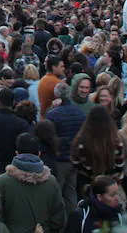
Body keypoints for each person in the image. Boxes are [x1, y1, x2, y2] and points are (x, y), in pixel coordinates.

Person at [0, 133, 66, 233]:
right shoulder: (51, 182)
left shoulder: (2, 182)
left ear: (16, 153)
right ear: (39, 154)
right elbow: (59, 219)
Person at [46, 82, 86, 214]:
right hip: (74, 158)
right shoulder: (80, 113)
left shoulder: (53, 114)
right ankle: (73, 221)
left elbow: (48, 136)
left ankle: (58, 222)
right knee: (71, 191)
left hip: (59, 159)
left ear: (56, 94)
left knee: (57, 192)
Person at [71, 105, 124, 197]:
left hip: (87, 185)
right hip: (110, 186)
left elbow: (75, 162)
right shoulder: (115, 140)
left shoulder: (82, 140)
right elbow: (120, 165)